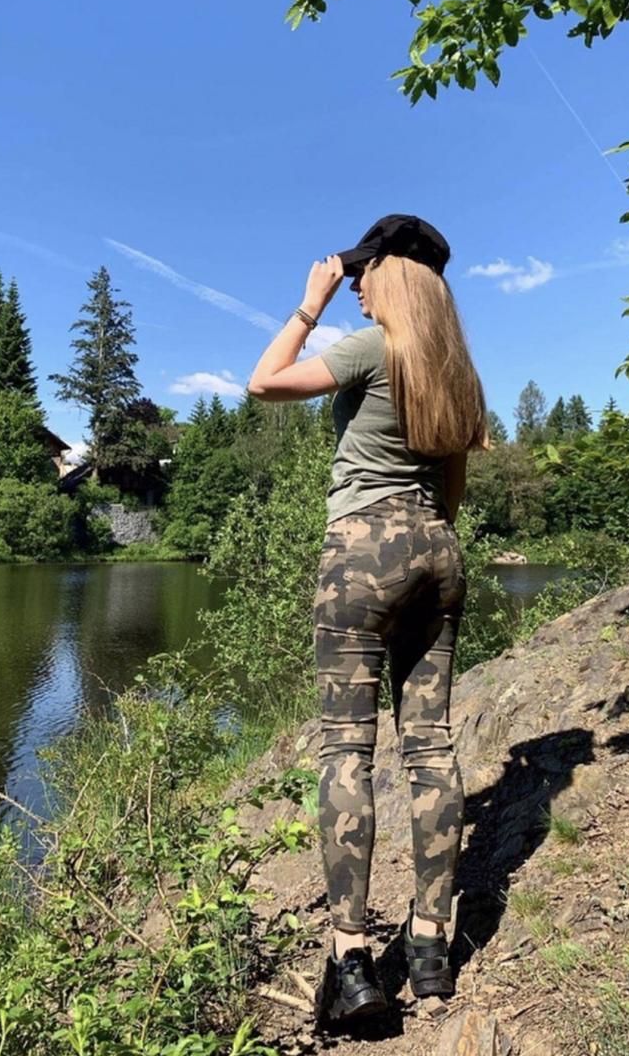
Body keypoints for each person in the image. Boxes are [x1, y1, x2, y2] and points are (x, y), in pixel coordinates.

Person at [247, 214, 489, 1025]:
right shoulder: (455, 369)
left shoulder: (370, 348)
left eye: (363, 270)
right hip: (438, 550)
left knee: (346, 750)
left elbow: (263, 382)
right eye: (345, 274)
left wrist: (307, 305)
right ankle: (430, 946)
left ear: (394, 275)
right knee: (429, 744)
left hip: (361, 550)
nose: (353, 282)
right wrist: (424, 543)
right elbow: (452, 488)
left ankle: (351, 960)